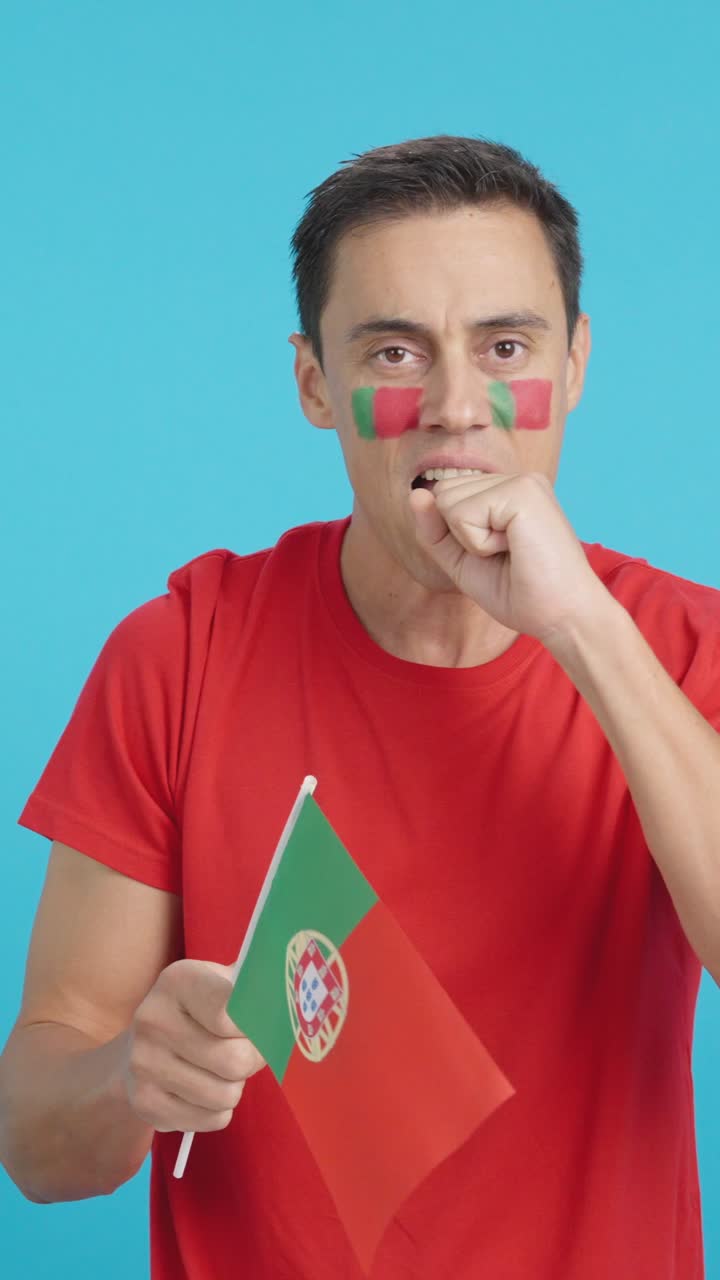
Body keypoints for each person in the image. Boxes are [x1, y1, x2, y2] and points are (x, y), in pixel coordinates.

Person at [1, 134, 718, 1280]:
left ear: (576, 365)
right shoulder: (180, 655)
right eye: (395, 349)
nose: (453, 405)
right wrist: (129, 1076)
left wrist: (582, 626)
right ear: (314, 383)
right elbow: (39, 1147)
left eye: (506, 345)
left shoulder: (684, 652)